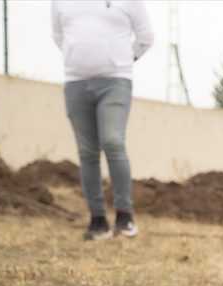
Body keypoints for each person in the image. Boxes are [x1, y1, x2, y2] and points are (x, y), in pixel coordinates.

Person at [51, 0, 154, 240]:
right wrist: (76, 57)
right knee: (87, 153)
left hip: (115, 81)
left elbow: (146, 36)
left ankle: (124, 215)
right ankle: (98, 221)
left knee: (113, 141)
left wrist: (123, 60)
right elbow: (58, 36)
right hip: (75, 82)